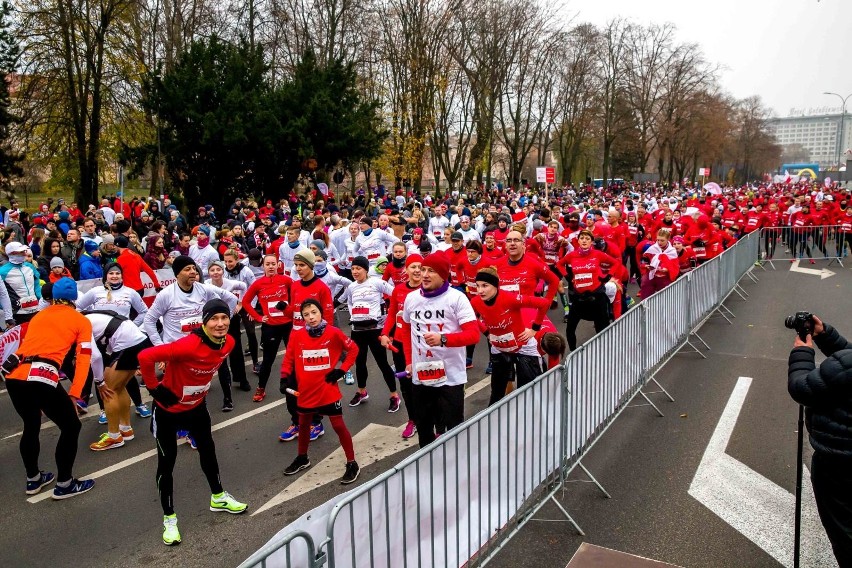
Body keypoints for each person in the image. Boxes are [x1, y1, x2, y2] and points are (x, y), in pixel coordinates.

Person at [138, 299, 248, 546]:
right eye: (214, 319)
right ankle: (169, 519)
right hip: (168, 411)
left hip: (197, 408)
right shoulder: (187, 345)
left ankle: (218, 497)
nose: (220, 324)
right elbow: (145, 356)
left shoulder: (228, 342)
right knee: (167, 464)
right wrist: (155, 389)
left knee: (208, 452)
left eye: (224, 318)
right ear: (204, 322)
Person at [3, 277, 95, 499]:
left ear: (54, 297)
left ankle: (33, 479)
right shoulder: (81, 321)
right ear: (75, 298)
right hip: (42, 374)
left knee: (31, 424)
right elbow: (83, 359)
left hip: (14, 374)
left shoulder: (39, 316)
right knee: (71, 427)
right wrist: (75, 394)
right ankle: (65, 483)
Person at [788, 315, 852, 565]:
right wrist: (825, 335)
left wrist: (802, 353)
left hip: (840, 468)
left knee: (845, 535)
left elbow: (802, 387)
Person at [399, 252, 480, 447]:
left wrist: (443, 339)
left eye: (431, 271)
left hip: (450, 377)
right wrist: (409, 361)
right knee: (425, 430)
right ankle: (429, 470)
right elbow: (406, 330)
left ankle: (455, 472)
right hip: (422, 376)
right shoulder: (411, 298)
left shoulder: (457, 298)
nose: (424, 274)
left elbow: (473, 335)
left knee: (453, 432)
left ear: (444, 275)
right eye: (423, 269)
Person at [279, 299, 360, 484]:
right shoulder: (297, 335)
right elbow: (289, 358)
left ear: (321, 312)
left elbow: (354, 348)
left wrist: (342, 369)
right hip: (306, 391)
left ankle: (351, 462)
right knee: (304, 424)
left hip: (327, 390)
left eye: (314, 312)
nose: (311, 317)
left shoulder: (333, 332)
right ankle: (302, 458)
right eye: (306, 314)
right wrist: (284, 378)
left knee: (339, 426)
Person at [470, 267, 550, 405]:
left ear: (495, 286)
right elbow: (471, 318)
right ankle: (496, 422)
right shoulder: (476, 302)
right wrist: (487, 333)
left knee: (529, 392)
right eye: (477, 286)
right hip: (499, 349)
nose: (480, 290)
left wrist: (534, 329)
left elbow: (543, 303)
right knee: (496, 395)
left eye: (485, 286)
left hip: (522, 347)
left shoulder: (510, 298)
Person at [84, 310, 153, 450]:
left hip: (128, 344)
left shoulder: (79, 323)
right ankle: (125, 429)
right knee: (119, 387)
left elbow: (95, 357)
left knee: (108, 390)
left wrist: (99, 381)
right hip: (138, 340)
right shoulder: (86, 316)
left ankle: (114, 437)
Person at [338, 255, 398, 409]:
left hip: (375, 330)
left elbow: (397, 294)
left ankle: (394, 396)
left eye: (358, 268)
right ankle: (362, 392)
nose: (355, 271)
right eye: (352, 269)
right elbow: (345, 301)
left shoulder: (377, 283)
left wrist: (391, 314)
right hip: (357, 330)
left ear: (365, 269)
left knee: (383, 364)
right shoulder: (351, 287)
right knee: (360, 364)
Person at [380, 254, 424, 439]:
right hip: (400, 342)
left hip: (422, 344)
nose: (416, 270)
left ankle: (432, 421)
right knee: (406, 385)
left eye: (420, 267)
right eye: (412, 267)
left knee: (424, 383)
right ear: (406, 270)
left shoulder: (427, 289)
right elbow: (391, 315)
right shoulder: (398, 290)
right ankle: (413, 419)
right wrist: (384, 334)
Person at [241, 254, 293, 401]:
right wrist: (258, 318)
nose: (270, 267)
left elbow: (297, 295)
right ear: (263, 266)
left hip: (288, 325)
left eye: (273, 264)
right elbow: (245, 302)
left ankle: (297, 385)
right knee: (268, 360)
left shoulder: (286, 280)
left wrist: (292, 311)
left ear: (278, 265)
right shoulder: (258, 284)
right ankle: (261, 388)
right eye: (267, 264)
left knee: (294, 357)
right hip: (270, 327)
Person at [207, 260, 248, 411]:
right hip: (215, 325)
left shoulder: (230, 283)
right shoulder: (206, 285)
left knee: (236, 350)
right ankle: (225, 393)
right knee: (219, 355)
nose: (216, 272)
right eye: (212, 270)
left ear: (222, 271)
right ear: (209, 273)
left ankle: (242, 379)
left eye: (218, 269)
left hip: (231, 320)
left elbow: (244, 287)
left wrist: (240, 304)